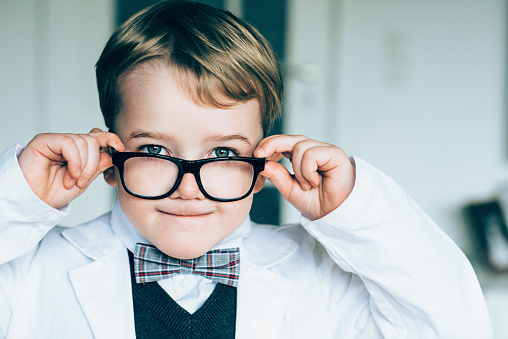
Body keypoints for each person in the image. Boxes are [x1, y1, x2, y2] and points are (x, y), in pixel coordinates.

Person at [0, 1, 492, 338]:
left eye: (221, 155)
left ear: (262, 167)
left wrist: (354, 208)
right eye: (153, 151)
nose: (188, 189)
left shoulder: (323, 274)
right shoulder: (31, 275)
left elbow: (453, 324)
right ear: (109, 161)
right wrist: (18, 195)